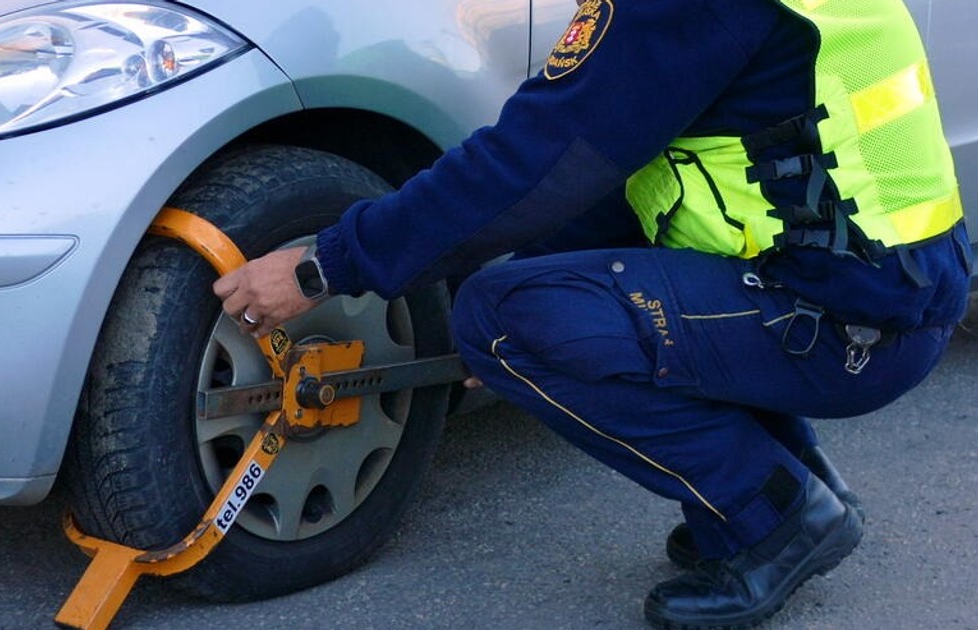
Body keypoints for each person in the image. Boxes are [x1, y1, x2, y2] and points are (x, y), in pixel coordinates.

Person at [213, 1, 972, 627]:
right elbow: (623, 170)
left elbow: (533, 161)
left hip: (841, 326)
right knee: (525, 311)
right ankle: (790, 484)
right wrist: (541, 300)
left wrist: (328, 265)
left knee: (500, 315)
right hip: (884, 294)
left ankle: (776, 517)